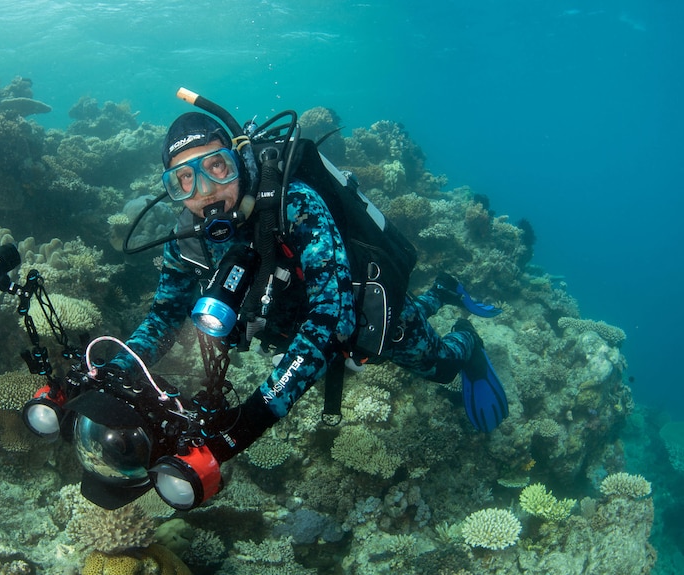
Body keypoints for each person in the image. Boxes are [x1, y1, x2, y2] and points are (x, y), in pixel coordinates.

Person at [113, 111, 507, 470]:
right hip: (294, 329)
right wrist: (112, 369)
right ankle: (443, 290)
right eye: (184, 178)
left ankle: (467, 342)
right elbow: (163, 316)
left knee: (437, 366)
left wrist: (247, 424)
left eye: (216, 166)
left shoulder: (294, 204)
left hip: (363, 308)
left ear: (238, 161)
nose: (205, 191)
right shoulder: (186, 240)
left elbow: (332, 318)